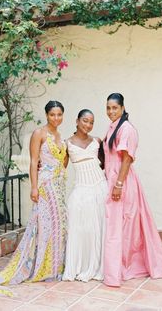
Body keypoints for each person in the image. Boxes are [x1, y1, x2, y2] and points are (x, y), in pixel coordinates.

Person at [0, 100, 68, 295]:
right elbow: (33, 161)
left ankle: (54, 266)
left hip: (59, 185)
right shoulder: (39, 133)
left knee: (59, 226)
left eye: (59, 114)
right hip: (45, 185)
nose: (56, 118)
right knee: (44, 226)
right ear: (47, 115)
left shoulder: (59, 135)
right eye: (52, 114)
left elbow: (62, 160)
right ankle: (39, 266)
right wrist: (33, 187)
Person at [103, 93, 162, 287]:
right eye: (108, 108)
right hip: (114, 180)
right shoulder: (113, 127)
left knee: (123, 228)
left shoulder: (127, 129)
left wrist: (118, 184)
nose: (111, 111)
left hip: (123, 182)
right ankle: (117, 267)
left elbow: (127, 159)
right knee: (117, 226)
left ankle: (124, 268)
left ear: (123, 108)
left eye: (114, 108)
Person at [62, 109, 107, 282]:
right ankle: (80, 266)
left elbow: (105, 164)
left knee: (99, 229)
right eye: (85, 121)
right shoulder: (67, 144)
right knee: (82, 230)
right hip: (81, 190)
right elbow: (61, 167)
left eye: (91, 122)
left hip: (100, 188)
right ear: (77, 121)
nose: (88, 125)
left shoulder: (97, 141)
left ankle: (98, 266)